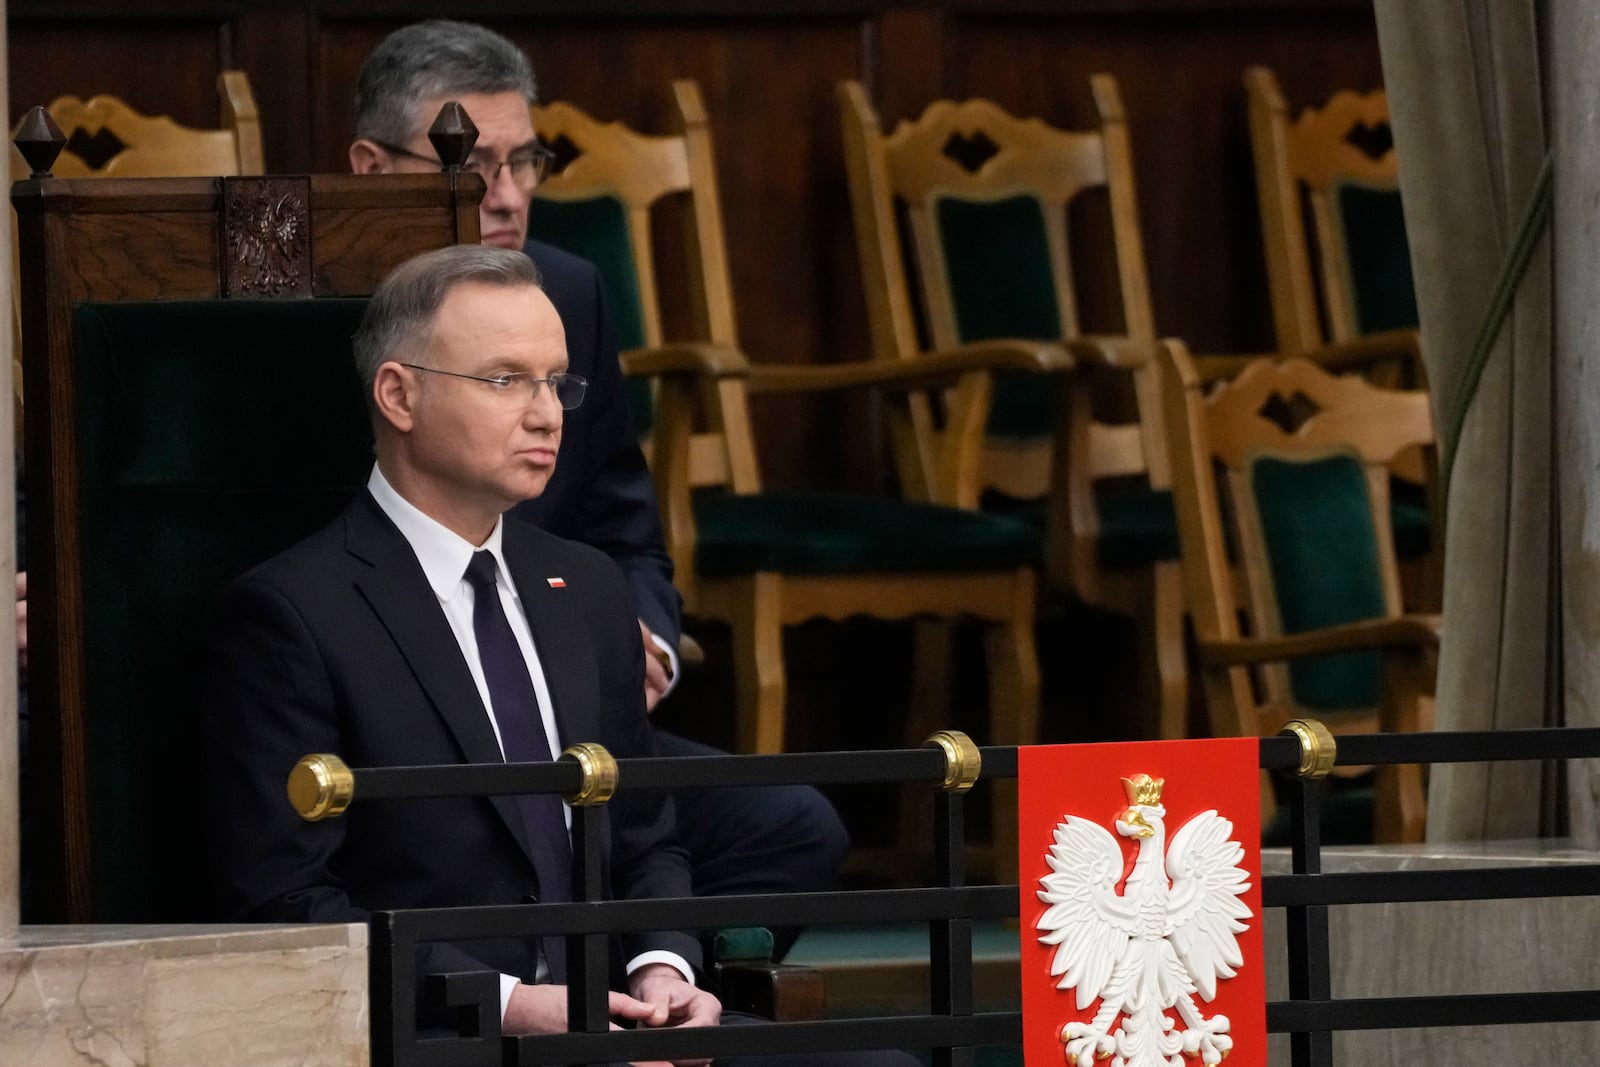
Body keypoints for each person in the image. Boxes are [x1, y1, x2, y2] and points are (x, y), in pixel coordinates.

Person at [203, 246, 910, 1066]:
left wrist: (663, 965)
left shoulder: (588, 587)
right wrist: (510, 1005)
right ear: (399, 394)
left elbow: (646, 842)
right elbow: (286, 903)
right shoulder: (292, 615)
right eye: (506, 380)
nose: (548, 415)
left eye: (557, 382)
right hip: (449, 1039)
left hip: (618, 1030)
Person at [347, 20, 846, 928]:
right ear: (372, 170)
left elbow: (625, 529)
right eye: (466, 160)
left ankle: (654, 992)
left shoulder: (565, 293)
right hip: (411, 736)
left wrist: (644, 641)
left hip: (569, 719)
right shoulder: (320, 317)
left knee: (793, 825)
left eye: (525, 160)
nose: (503, 194)